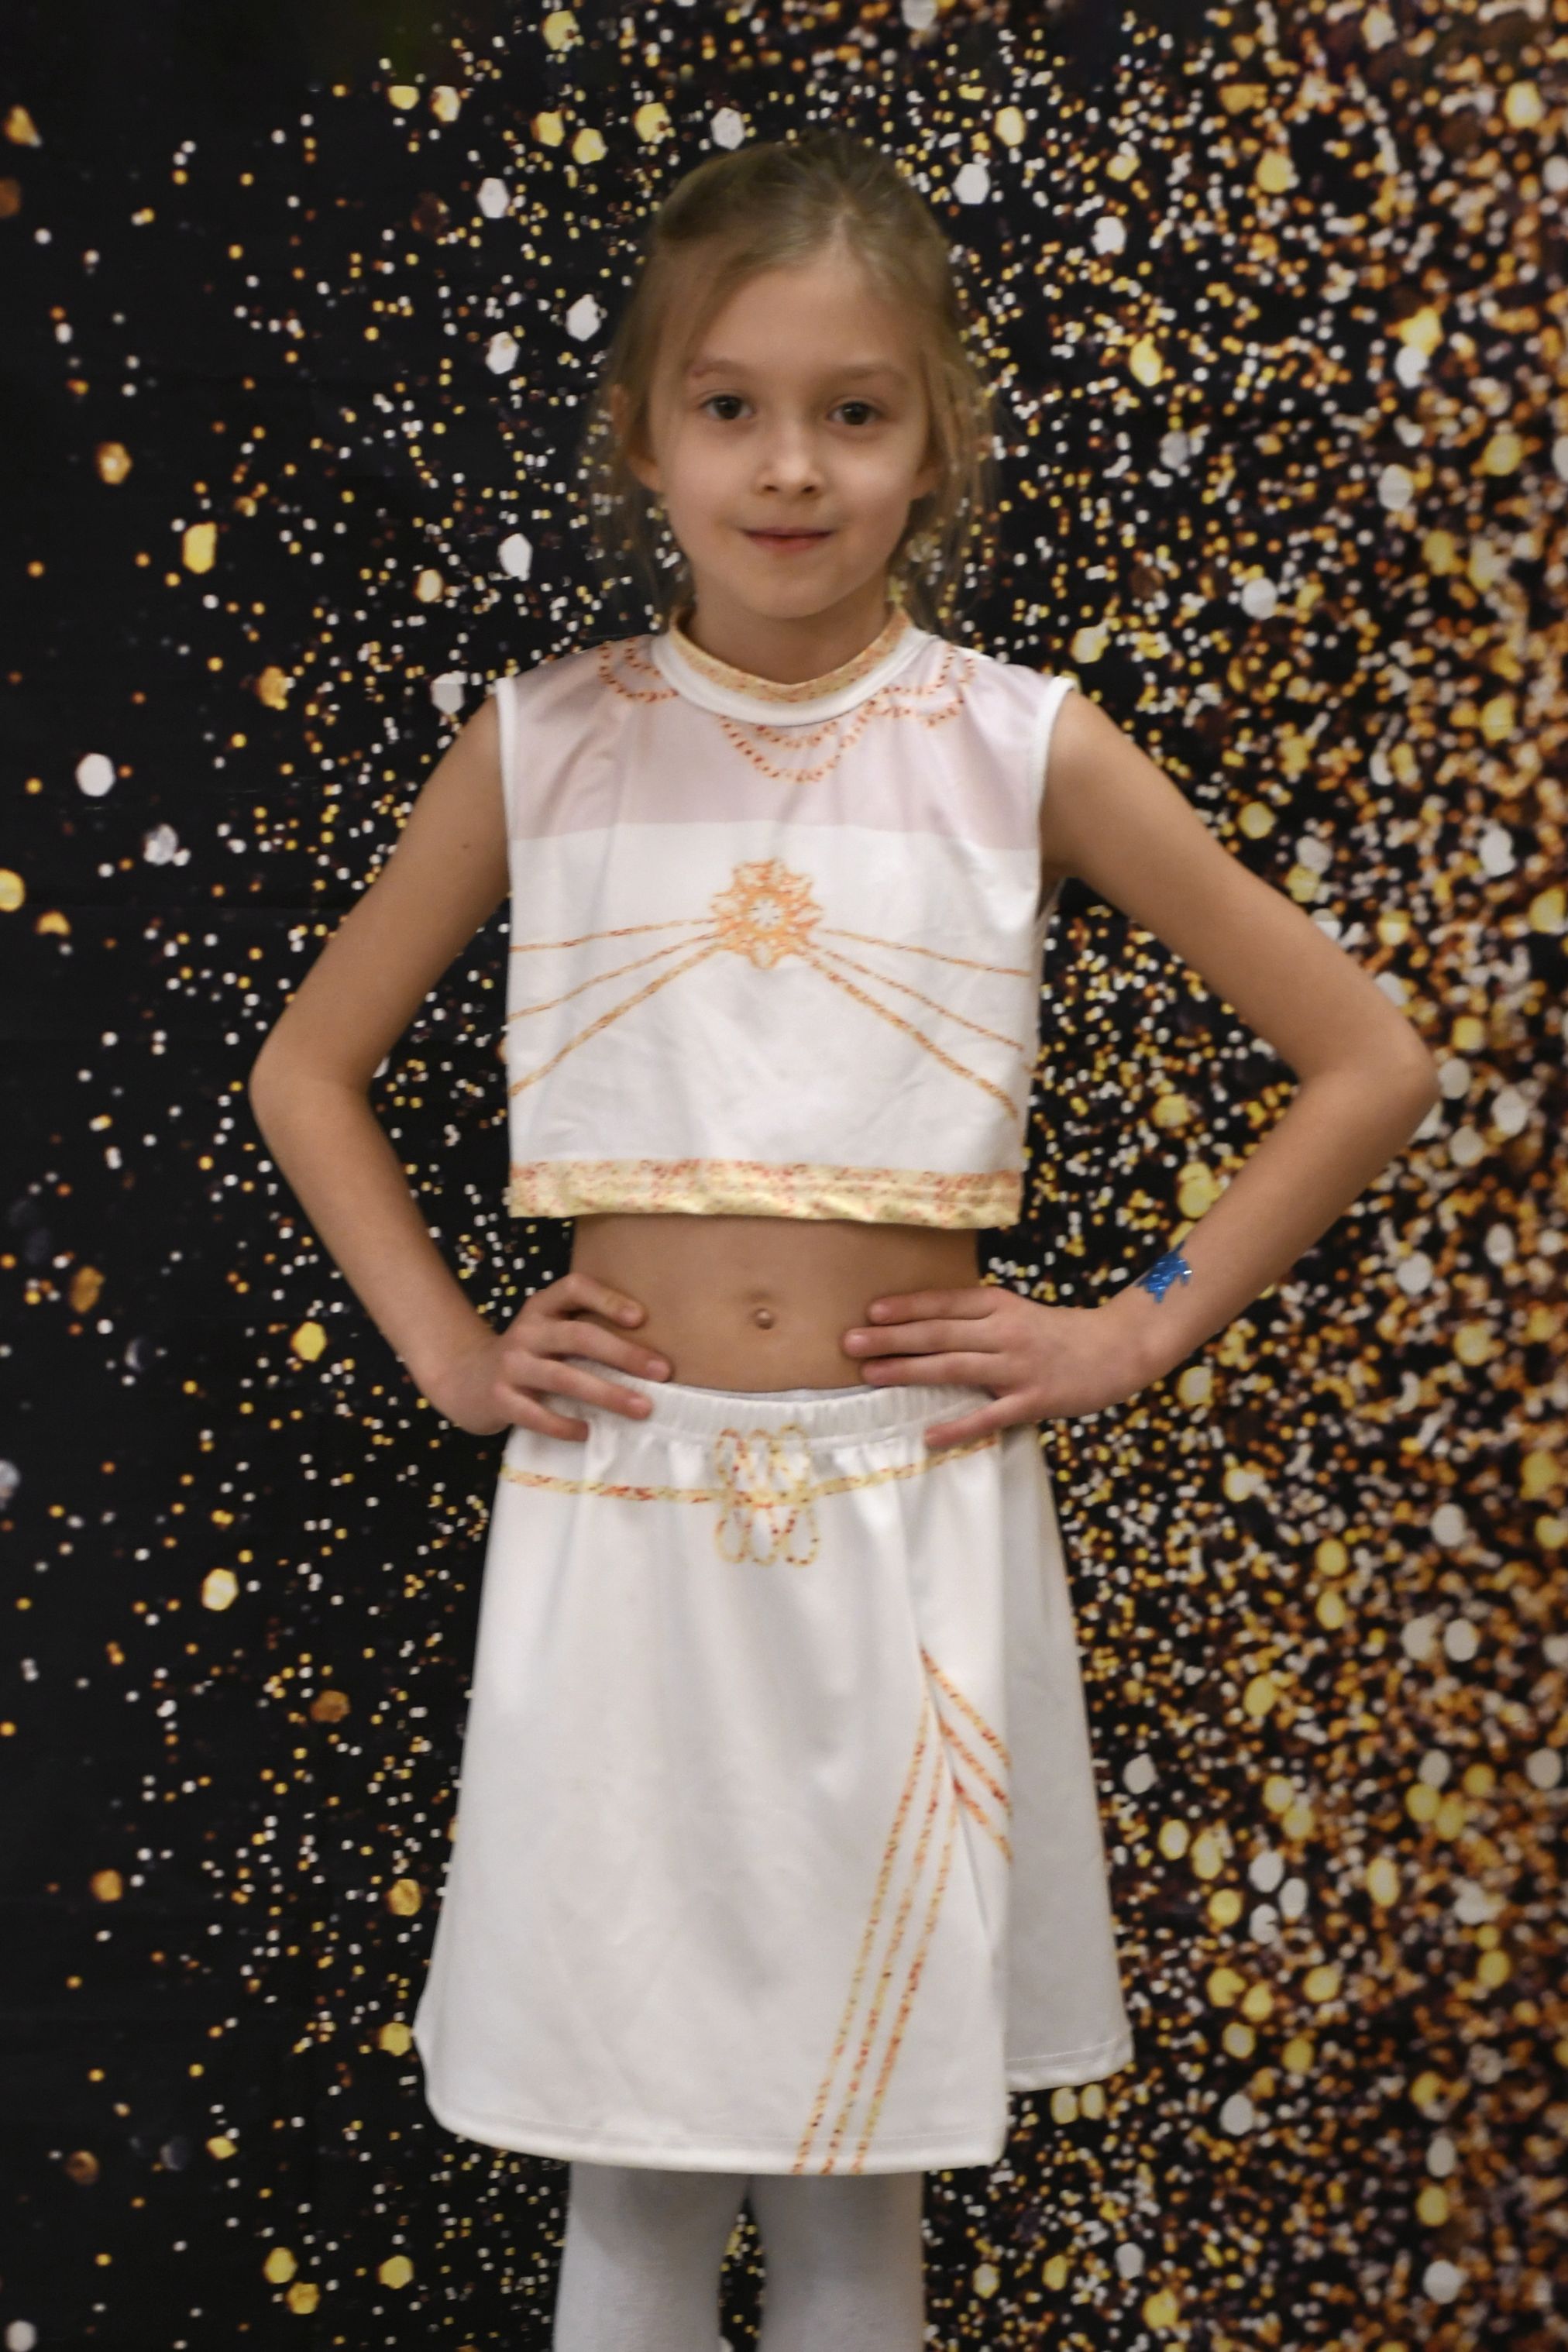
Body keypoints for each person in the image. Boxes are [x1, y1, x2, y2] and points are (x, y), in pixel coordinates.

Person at [248, 131, 1440, 2352]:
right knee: (628, 2166)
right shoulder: (547, 744)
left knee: (857, 2185)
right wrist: (448, 1351)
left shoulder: (1018, 745)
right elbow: (308, 1068)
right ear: (647, 434)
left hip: (910, 1530)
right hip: (622, 1518)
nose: (790, 465)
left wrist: (1134, 1328)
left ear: (935, 439)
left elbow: (1367, 1057)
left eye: (853, 410)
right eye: (731, 405)